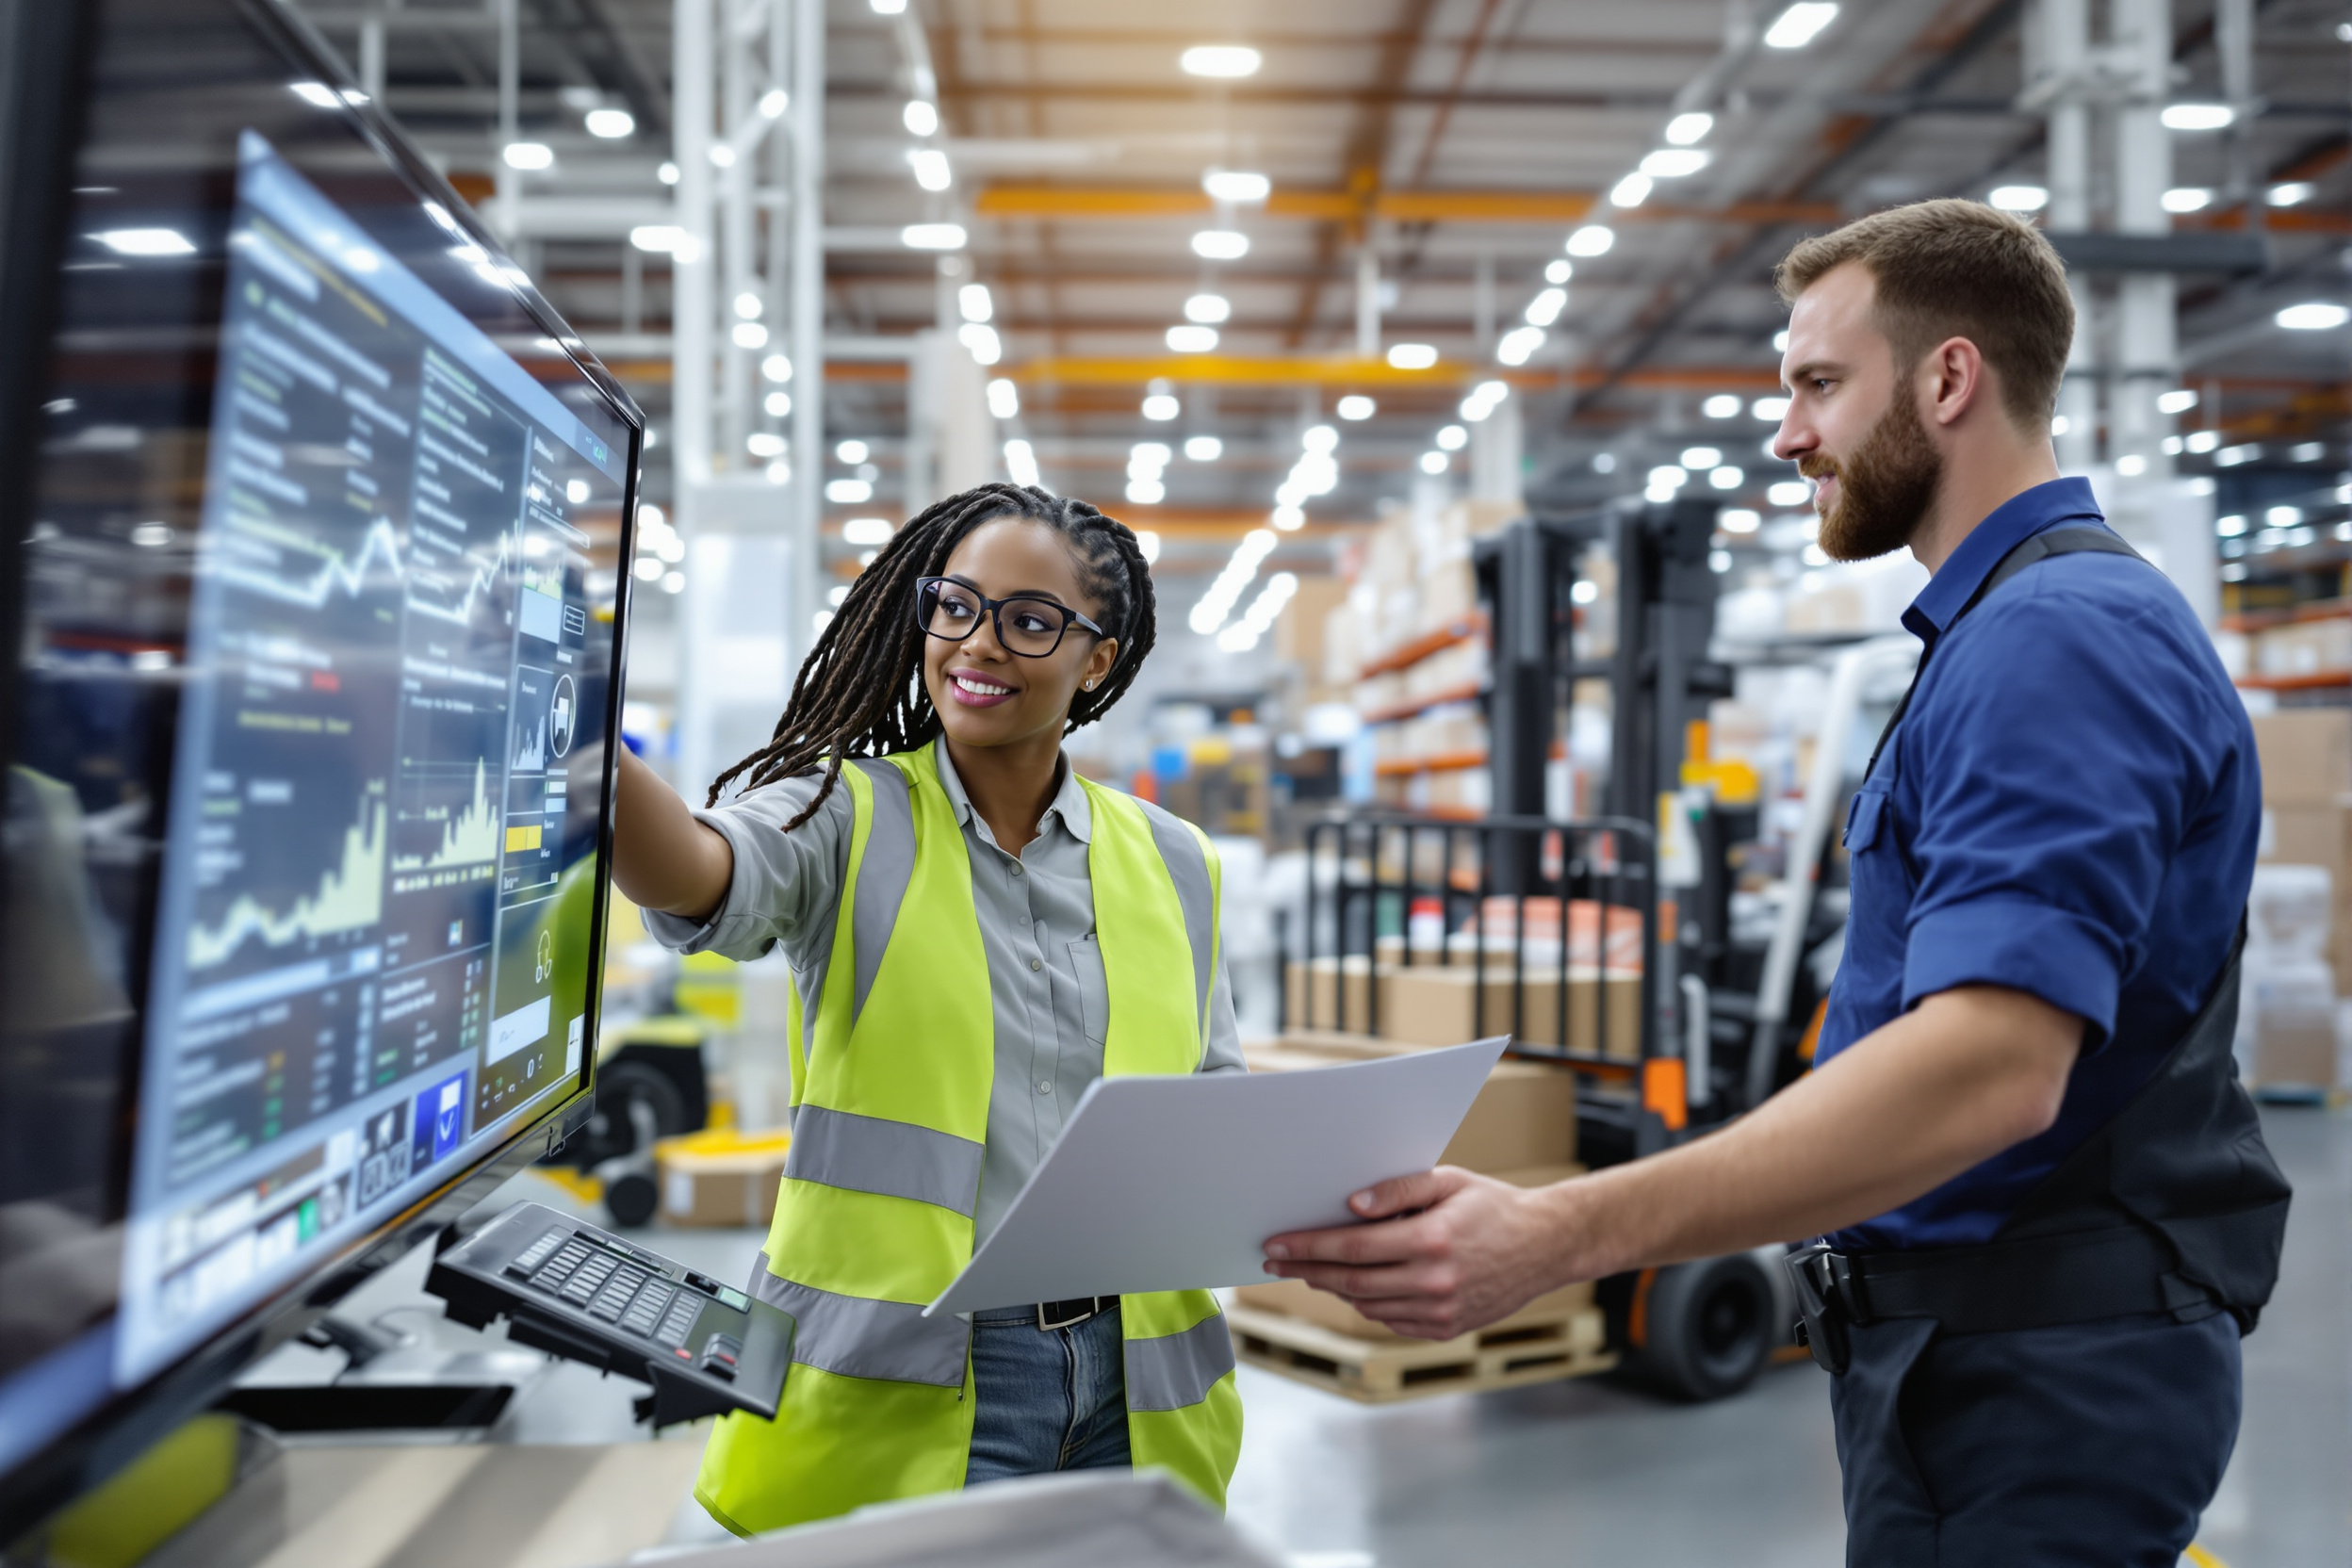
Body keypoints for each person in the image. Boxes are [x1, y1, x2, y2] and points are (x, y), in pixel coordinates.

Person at [1261, 200, 2290, 1565]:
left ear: (1947, 378)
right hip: (1991, 1363)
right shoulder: (2009, 632)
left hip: (2034, 1382)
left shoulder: (2055, 641)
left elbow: (1992, 1067)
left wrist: (1560, 1234)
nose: (1788, 431)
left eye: (1817, 383)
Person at [612, 483, 1245, 1535]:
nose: (975, 644)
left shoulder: (1174, 860)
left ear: (1098, 659)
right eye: (954, 605)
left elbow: (1213, 1111)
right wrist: (588, 726)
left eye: (1029, 620)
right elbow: (693, 870)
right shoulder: (843, 816)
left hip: (1140, 1380)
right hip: (914, 1376)